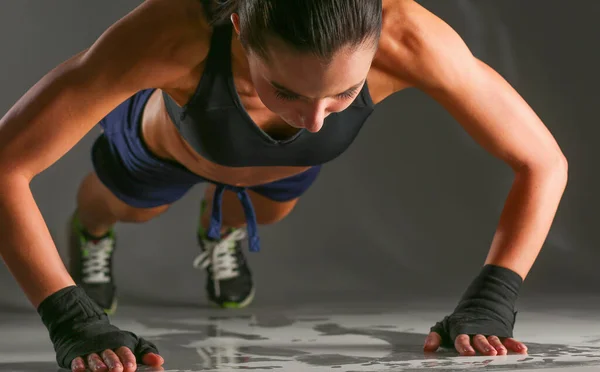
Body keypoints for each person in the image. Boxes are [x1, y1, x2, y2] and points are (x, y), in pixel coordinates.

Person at [0, 0, 568, 370]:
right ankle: (94, 232)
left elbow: (543, 162)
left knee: (266, 216)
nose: (316, 120)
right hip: (163, 148)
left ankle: (217, 225)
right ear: (242, 30)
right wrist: (69, 316)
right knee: (124, 211)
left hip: (285, 171)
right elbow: (4, 166)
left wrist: (494, 300)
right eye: (288, 92)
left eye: (344, 95)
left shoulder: (411, 40)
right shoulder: (171, 35)